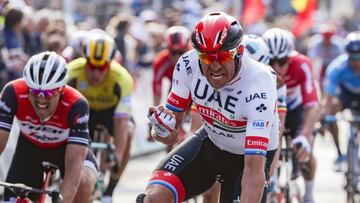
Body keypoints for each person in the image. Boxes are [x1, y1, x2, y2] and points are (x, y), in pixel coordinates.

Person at [136, 12, 279, 203]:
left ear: (239, 52)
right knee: (153, 198)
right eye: (207, 57)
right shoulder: (188, 65)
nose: (215, 66)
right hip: (211, 141)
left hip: (248, 157)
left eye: (222, 56)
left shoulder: (259, 83)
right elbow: (169, 136)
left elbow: (253, 170)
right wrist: (161, 128)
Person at [0, 51, 97, 203]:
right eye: (35, 91)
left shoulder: (77, 104)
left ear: (61, 89)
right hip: (30, 147)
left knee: (82, 185)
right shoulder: (13, 92)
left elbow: (73, 170)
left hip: (66, 148)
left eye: (48, 93)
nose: (41, 99)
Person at [67, 32, 134, 203]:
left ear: (110, 64)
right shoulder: (72, 70)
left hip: (110, 113)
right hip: (84, 111)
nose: (95, 73)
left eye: (101, 68)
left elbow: (121, 121)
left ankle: (110, 189)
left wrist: (118, 155)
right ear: (85, 60)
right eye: (91, 67)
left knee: (128, 131)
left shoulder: (122, 78)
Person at [262, 27, 319, 203]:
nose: (277, 67)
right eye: (272, 61)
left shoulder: (302, 64)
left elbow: (312, 105)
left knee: (305, 150)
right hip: (271, 111)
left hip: (295, 109)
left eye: (283, 61)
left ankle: (309, 194)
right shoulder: (259, 67)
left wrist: (305, 134)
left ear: (291, 57)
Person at [148, 25, 191, 152]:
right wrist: (155, 116)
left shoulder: (195, 57)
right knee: (170, 123)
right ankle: (169, 152)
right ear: (167, 49)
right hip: (176, 88)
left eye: (180, 53)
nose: (177, 58)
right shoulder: (160, 61)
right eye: (173, 53)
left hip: (194, 89)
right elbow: (157, 89)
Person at [322, 31, 360, 164]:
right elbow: (328, 96)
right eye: (353, 57)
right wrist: (326, 117)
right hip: (346, 95)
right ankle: (339, 153)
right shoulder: (337, 67)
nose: (356, 62)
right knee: (331, 109)